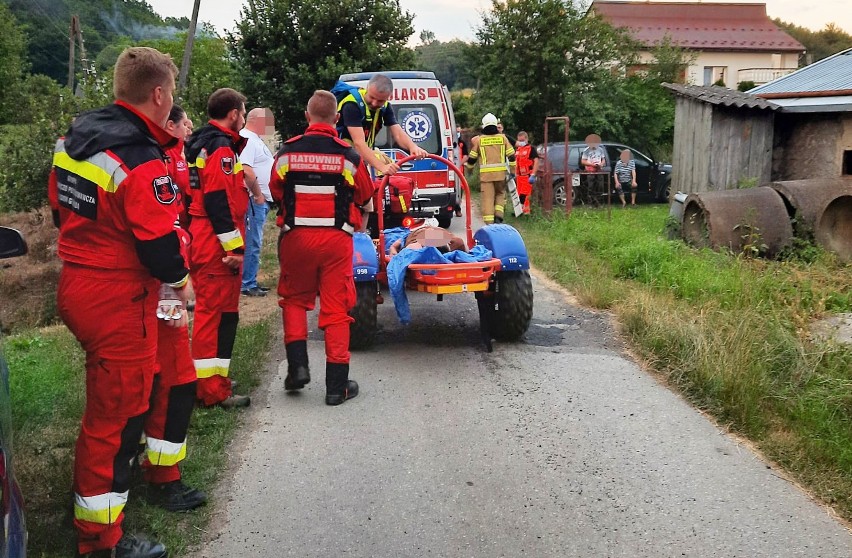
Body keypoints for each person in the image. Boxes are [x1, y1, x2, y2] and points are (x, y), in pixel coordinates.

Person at [51, 46, 188, 558]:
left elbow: (60, 205)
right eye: (170, 92)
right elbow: (158, 245)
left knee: (118, 405)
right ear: (158, 94)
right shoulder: (140, 158)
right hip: (121, 297)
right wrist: (182, 282)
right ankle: (101, 538)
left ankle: (103, 499)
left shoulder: (75, 137)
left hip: (80, 279)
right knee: (116, 416)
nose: (172, 100)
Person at [270, 90, 375, 405]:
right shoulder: (349, 156)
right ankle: (336, 387)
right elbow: (364, 194)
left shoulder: (286, 152)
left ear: (307, 117)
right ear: (337, 119)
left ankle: (298, 368)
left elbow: (276, 190)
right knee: (336, 310)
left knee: (294, 300)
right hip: (335, 242)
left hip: (296, 239)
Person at [140, 103, 207, 515]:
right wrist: (181, 284)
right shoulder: (148, 157)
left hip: (153, 284)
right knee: (176, 379)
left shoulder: (163, 155)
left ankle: (151, 467)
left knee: (165, 379)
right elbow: (158, 230)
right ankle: (163, 478)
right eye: (180, 119)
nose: (189, 127)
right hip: (162, 286)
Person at [185, 88, 251, 409]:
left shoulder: (203, 142)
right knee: (212, 316)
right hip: (216, 242)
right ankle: (209, 391)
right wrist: (234, 248)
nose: (244, 116)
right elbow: (217, 200)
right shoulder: (221, 149)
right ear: (233, 113)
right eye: (243, 111)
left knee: (226, 314)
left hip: (207, 236)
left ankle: (218, 380)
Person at [239, 107, 276, 297]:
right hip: (254, 200)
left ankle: (249, 279)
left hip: (259, 199)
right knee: (253, 241)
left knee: (255, 240)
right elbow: (246, 169)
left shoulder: (254, 140)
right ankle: (247, 283)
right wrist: (258, 194)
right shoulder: (247, 139)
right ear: (257, 120)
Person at [465, 113, 516, 224]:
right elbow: (512, 156)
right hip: (500, 175)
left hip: (486, 177)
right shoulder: (503, 138)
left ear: (484, 126)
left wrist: (469, 170)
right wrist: (513, 172)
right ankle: (498, 217)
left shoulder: (479, 140)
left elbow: (472, 158)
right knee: (500, 194)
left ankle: (489, 225)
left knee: (488, 199)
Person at [514, 131, 540, 215]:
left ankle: (523, 211)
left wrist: (533, 174)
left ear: (526, 139)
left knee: (524, 194)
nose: (521, 142)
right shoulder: (518, 149)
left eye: (522, 140)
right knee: (519, 194)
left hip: (527, 175)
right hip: (519, 176)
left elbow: (536, 161)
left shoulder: (531, 148)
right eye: (519, 141)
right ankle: (522, 211)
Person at [581, 133, 608, 204]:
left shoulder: (600, 149)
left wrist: (601, 164)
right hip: (590, 170)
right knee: (591, 187)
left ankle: (599, 202)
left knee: (600, 186)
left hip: (599, 170)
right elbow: (583, 161)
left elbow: (603, 159)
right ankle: (590, 202)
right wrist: (592, 164)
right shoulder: (586, 150)